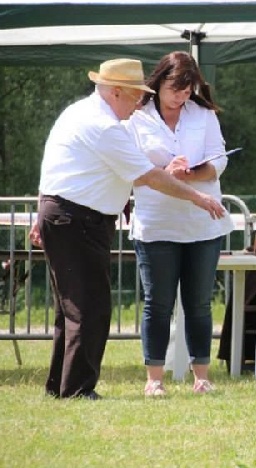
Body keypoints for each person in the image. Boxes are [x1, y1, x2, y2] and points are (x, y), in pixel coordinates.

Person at [29, 58, 226, 400]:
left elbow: (52, 168)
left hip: (65, 215)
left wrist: (40, 211)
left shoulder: (78, 112)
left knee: (70, 310)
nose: (138, 103)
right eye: (135, 95)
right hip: (78, 220)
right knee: (89, 308)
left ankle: (60, 386)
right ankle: (77, 389)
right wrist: (199, 197)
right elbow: (148, 176)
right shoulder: (105, 126)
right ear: (116, 92)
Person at [126, 51, 234, 397]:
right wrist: (165, 173)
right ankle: (154, 379)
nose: (181, 97)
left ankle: (201, 376)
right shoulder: (136, 117)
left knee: (199, 303)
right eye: (175, 89)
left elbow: (220, 159)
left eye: (187, 91)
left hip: (203, 222)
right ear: (159, 82)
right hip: (156, 223)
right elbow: (128, 170)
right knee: (157, 303)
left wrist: (194, 173)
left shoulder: (204, 114)